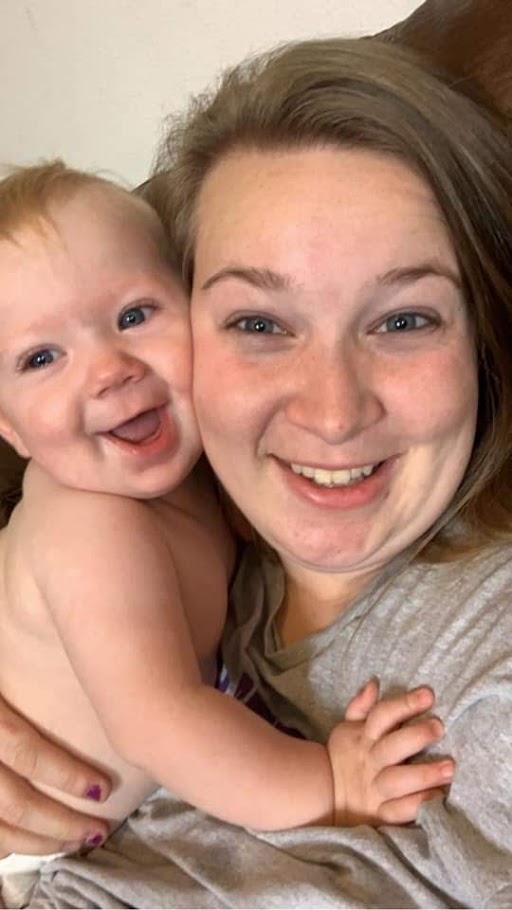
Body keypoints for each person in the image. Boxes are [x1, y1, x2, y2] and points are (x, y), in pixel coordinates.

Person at [0, 161, 449, 907]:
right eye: (41, 358)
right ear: (10, 428)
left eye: (135, 315)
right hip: (26, 850)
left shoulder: (198, 475)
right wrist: (330, 784)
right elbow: (162, 723)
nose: (109, 370)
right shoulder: (89, 527)